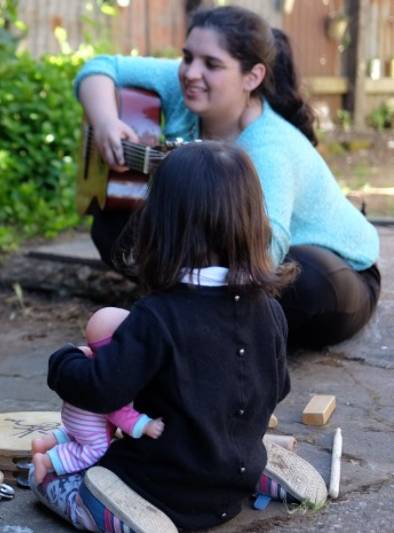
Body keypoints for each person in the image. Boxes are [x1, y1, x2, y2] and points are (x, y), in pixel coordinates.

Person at [31, 142, 328, 532]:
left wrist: (65, 361)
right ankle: (255, 467)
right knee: (227, 436)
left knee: (52, 479)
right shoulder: (269, 308)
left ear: (160, 225)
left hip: (161, 488)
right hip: (231, 481)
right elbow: (279, 387)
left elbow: (101, 391)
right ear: (253, 221)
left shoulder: (157, 316)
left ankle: (109, 509)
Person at [76, 5, 380, 351]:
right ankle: (207, 320)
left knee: (300, 282)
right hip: (233, 254)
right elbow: (100, 68)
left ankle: (196, 322)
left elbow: (267, 251)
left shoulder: (268, 148)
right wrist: (105, 123)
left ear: (252, 77)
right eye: (187, 57)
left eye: (211, 64)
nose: (191, 72)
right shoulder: (184, 89)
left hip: (337, 274)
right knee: (114, 224)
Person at [31, 306, 164, 484]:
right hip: (90, 424)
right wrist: (146, 425)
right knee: (95, 448)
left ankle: (44, 442)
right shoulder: (114, 378)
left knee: (74, 434)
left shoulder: (88, 360)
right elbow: (120, 413)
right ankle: (47, 461)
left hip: (73, 417)